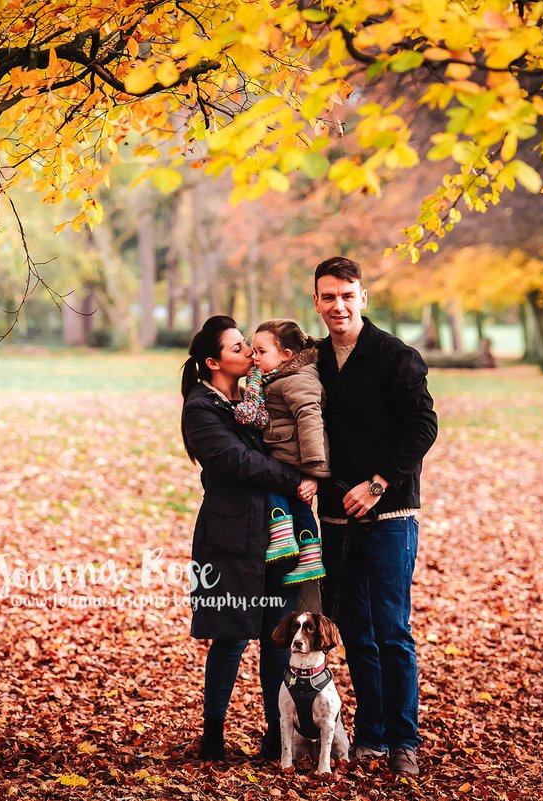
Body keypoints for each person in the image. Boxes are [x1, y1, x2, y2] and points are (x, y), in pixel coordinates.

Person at [312, 257, 438, 776]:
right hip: (335, 516)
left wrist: (379, 482)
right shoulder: (311, 359)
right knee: (356, 631)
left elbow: (422, 428)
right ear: (316, 301)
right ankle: (371, 735)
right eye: (327, 297)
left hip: (390, 513)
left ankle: (403, 739)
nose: (337, 305)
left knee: (392, 630)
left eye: (347, 295)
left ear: (363, 297)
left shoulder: (395, 357)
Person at [180, 315, 318, 762]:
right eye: (237, 347)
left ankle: (276, 735)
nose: (248, 353)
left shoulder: (257, 394)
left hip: (279, 536)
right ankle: (213, 735)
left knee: (278, 635)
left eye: (247, 346)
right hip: (232, 535)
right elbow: (236, 461)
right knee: (231, 636)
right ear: (212, 360)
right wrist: (295, 475)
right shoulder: (201, 408)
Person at [233, 320, 330, 606]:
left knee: (270, 482)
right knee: (301, 509)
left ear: (286, 355)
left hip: (293, 455)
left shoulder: (297, 379)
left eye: (261, 351)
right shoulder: (282, 377)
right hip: (291, 452)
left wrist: (313, 469)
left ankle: (282, 537)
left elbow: (310, 418)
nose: (255, 356)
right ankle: (310, 557)